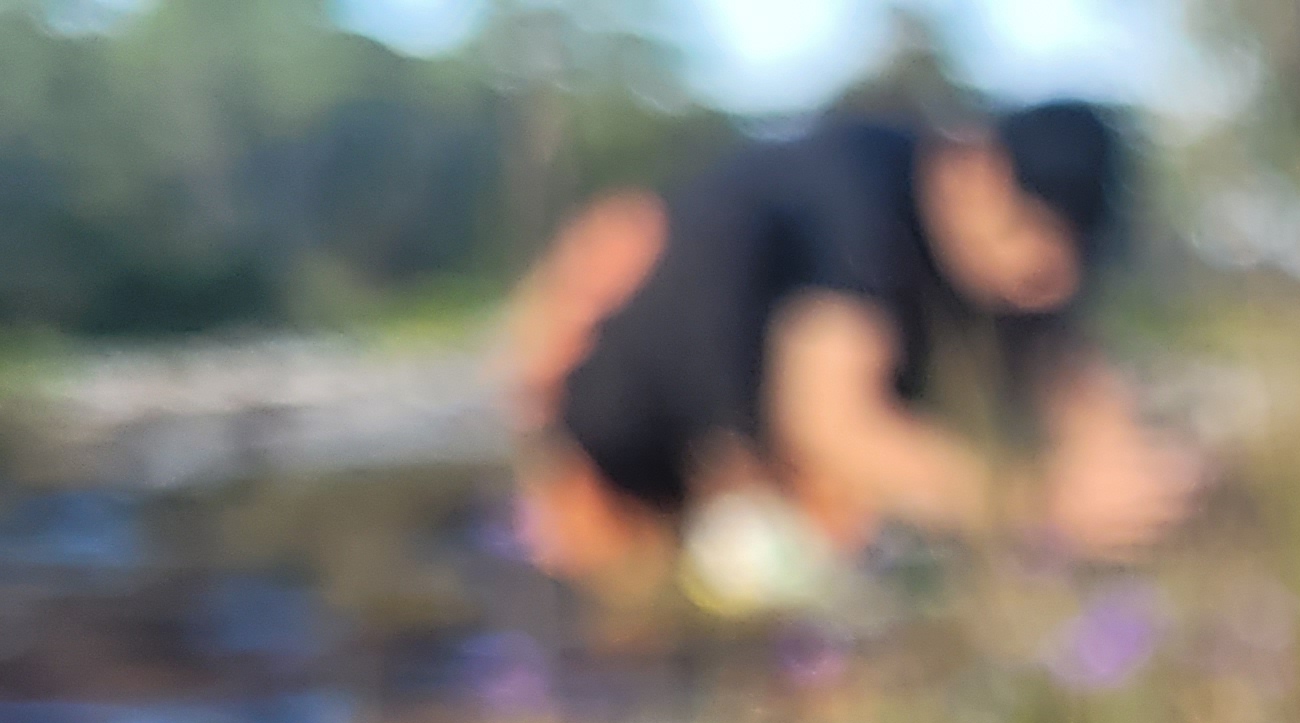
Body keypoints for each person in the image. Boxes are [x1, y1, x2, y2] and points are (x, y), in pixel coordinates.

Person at [501, 101, 1203, 609]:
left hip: (736, 477)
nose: (1040, 284)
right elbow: (833, 426)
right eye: (1033, 245)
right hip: (619, 448)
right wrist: (1042, 502)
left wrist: (1127, 467)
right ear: (978, 171)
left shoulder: (1010, 254)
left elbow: (1070, 364)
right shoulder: (857, 197)